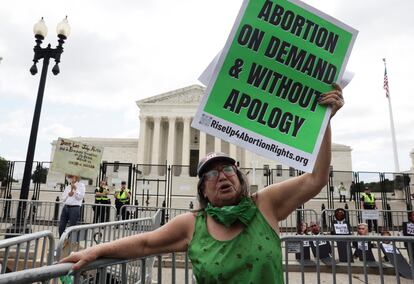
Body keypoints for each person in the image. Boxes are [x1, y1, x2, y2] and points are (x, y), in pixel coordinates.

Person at [60, 84, 344, 283]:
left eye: (227, 169)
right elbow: (145, 243)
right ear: (203, 190)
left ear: (240, 176)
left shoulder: (264, 204)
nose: (221, 176)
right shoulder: (193, 224)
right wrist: (95, 250)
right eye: (210, 174)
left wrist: (324, 122)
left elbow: (316, 178)